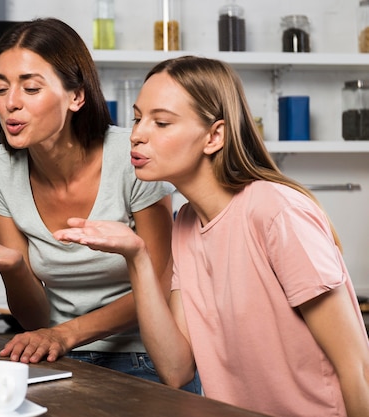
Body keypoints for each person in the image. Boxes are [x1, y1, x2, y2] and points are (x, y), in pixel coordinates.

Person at [53, 55, 369, 417]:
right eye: (138, 118)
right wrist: (137, 257)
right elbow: (176, 370)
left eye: (161, 122)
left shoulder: (277, 211)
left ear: (214, 135)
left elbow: (358, 367)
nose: (137, 134)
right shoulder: (186, 222)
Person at [0, 18, 201, 392]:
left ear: (76, 96)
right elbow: (34, 317)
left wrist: (66, 334)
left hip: (144, 355)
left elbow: (160, 285)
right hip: (57, 357)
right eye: (0, 89)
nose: (11, 103)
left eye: (31, 88)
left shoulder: (134, 158)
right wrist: (16, 269)